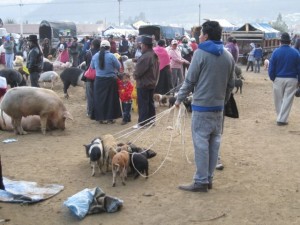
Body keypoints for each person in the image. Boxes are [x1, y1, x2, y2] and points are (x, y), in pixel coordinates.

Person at [175, 21, 235, 192]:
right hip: (218, 108)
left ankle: (201, 181)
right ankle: (208, 179)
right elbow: (230, 84)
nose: (199, 36)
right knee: (214, 142)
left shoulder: (200, 54)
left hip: (202, 108)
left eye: (200, 33)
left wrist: (179, 99)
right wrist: (223, 99)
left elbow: (190, 80)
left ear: (206, 36)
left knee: (201, 144)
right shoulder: (228, 56)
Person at [268, 32, 300, 126]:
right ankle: (282, 119)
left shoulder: (275, 52)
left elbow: (271, 68)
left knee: (278, 99)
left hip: (278, 78)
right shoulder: (296, 52)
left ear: (280, 42)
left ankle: (280, 117)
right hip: (292, 79)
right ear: (290, 42)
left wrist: (273, 78)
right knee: (287, 99)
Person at [90, 40, 122, 124]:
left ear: (100, 47)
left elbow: (92, 67)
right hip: (110, 81)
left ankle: (100, 118)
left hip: (99, 80)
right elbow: (119, 66)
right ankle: (110, 118)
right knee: (111, 100)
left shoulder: (95, 56)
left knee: (99, 99)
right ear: (109, 47)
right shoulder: (111, 56)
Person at [133, 35, 159, 129]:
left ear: (145, 46)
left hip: (144, 83)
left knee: (143, 104)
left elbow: (138, 72)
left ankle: (142, 123)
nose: (141, 47)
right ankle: (151, 121)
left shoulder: (145, 57)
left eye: (142, 45)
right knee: (149, 103)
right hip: (151, 82)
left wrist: (134, 75)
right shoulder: (153, 54)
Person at [84, 38, 100, 118]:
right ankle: (98, 111)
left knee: (89, 95)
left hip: (89, 77)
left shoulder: (88, 53)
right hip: (99, 76)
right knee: (98, 94)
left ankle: (90, 112)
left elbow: (87, 65)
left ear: (92, 45)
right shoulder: (102, 53)